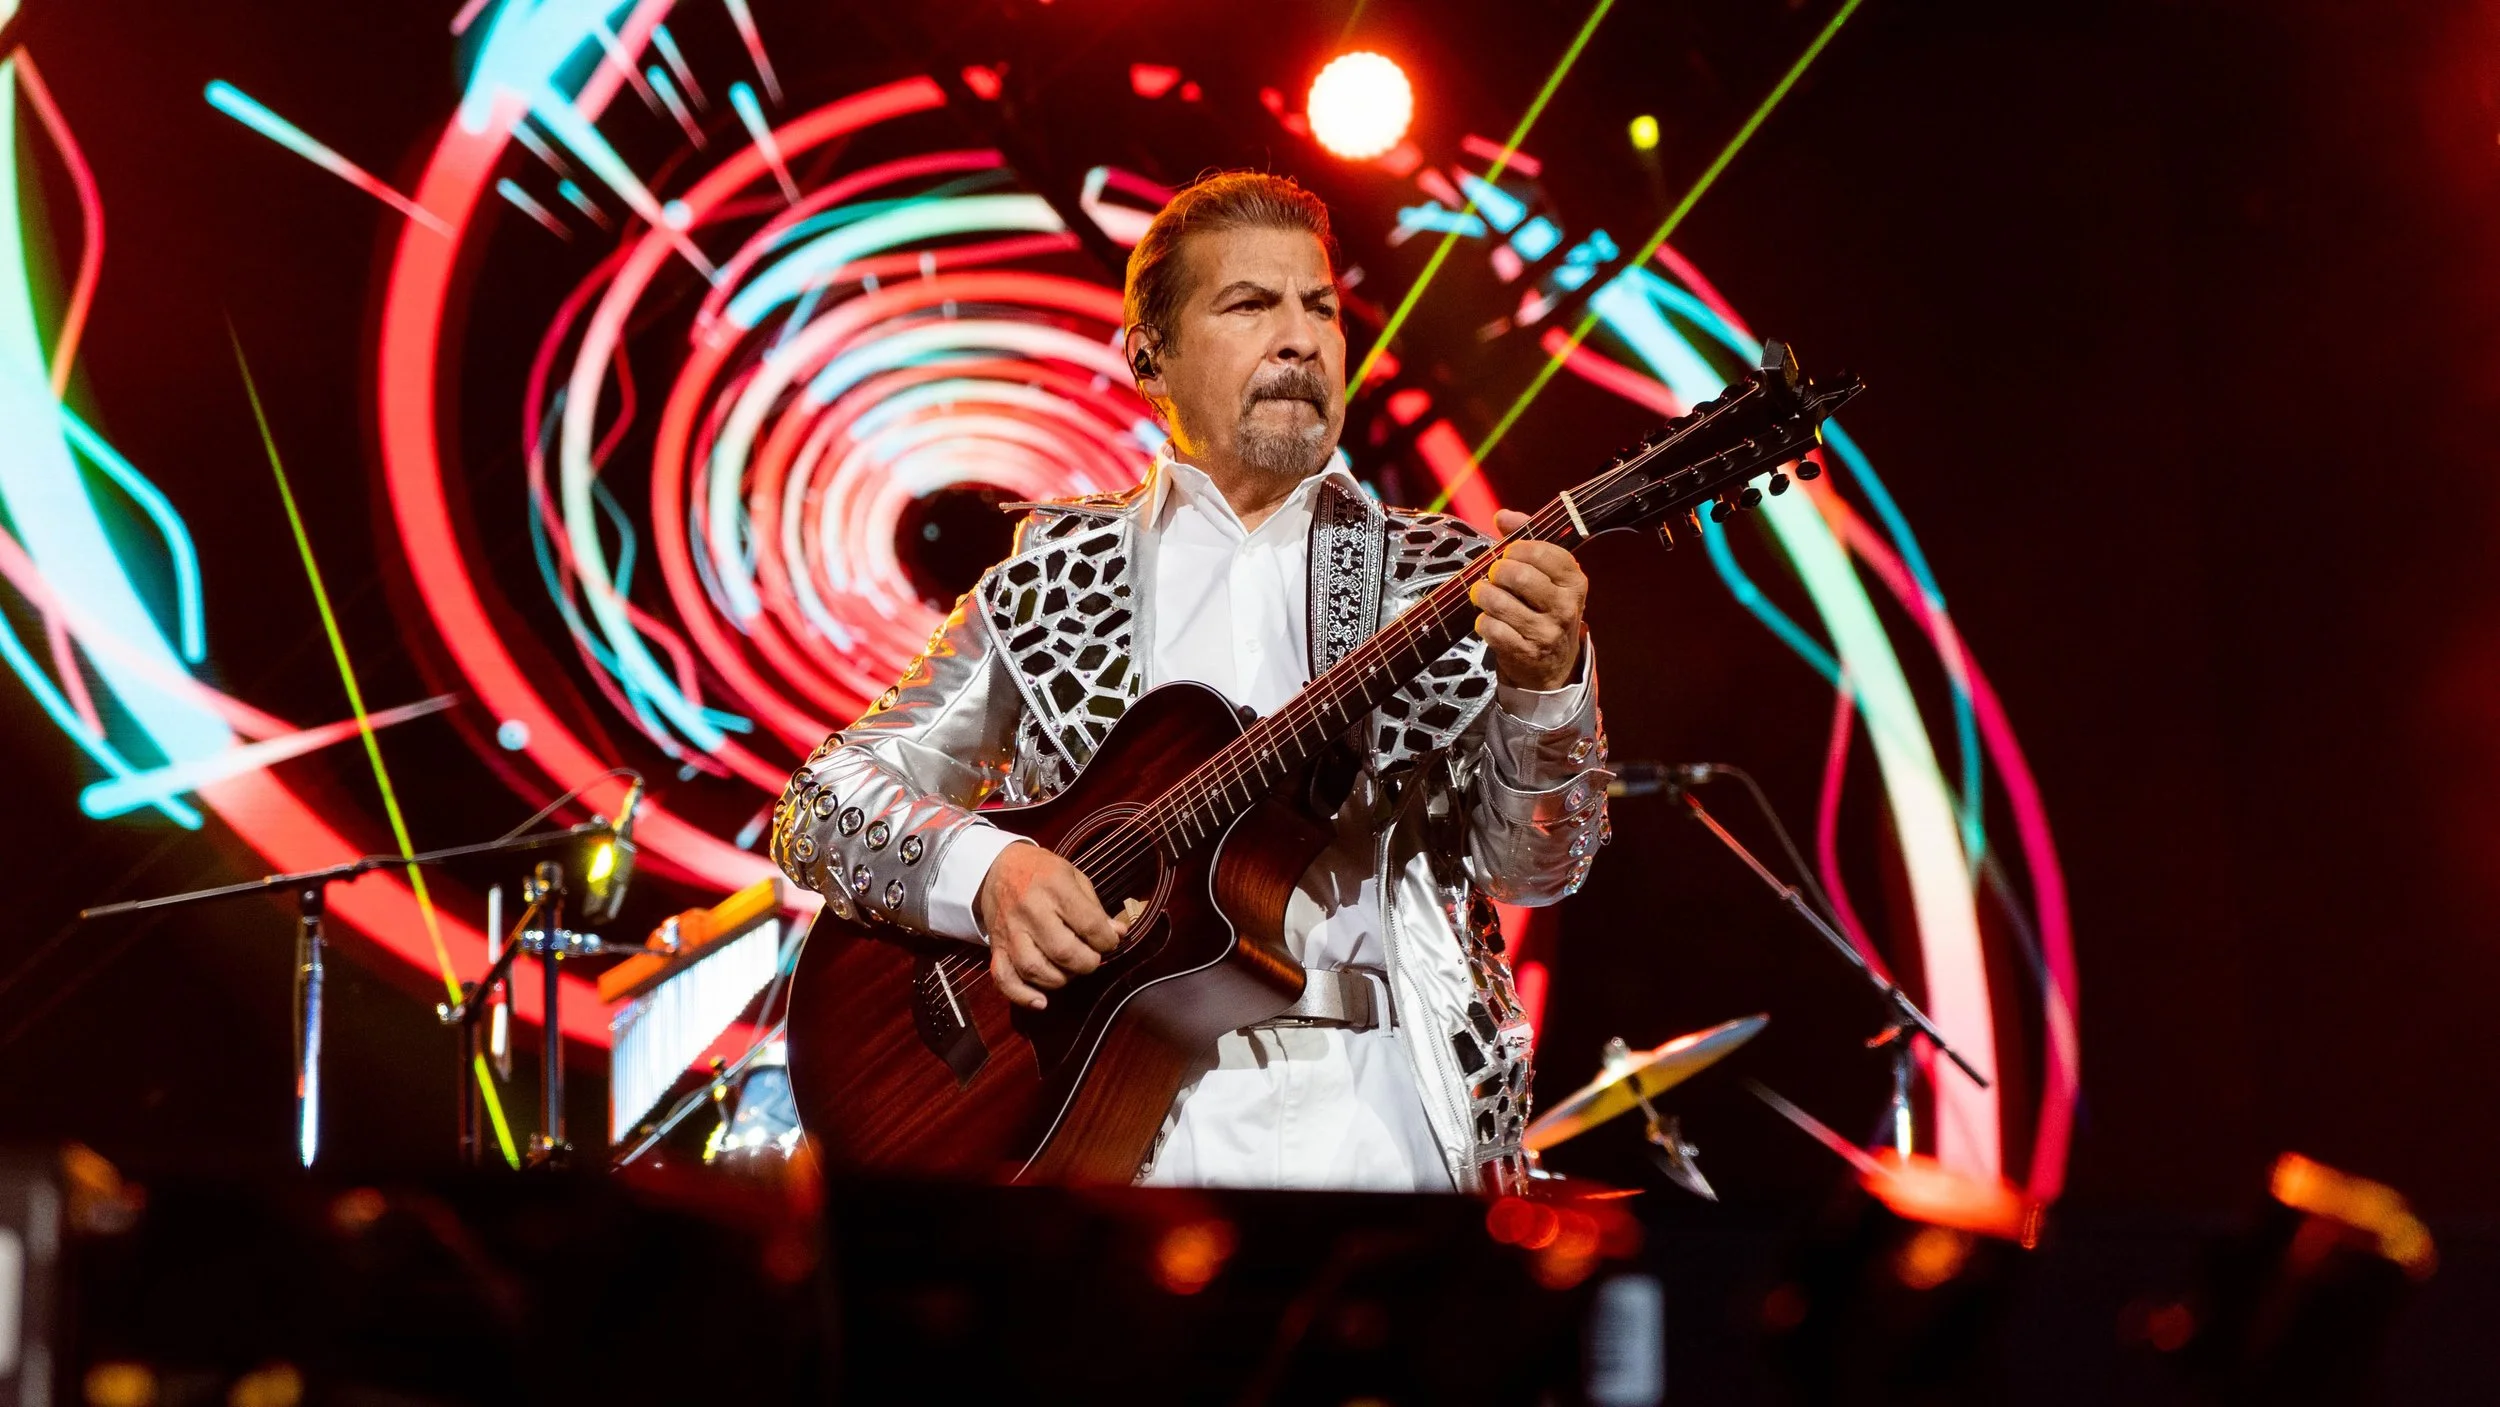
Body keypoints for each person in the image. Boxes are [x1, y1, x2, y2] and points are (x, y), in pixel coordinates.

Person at [770, 171, 1612, 1193]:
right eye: (1250, 305)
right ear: (1148, 356)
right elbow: (822, 803)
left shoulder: (1446, 579)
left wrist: (1547, 690)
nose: (1299, 339)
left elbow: (1537, 867)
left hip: (1387, 1116)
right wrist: (991, 876)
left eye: (1320, 308)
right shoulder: (1049, 579)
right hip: (1116, 1123)